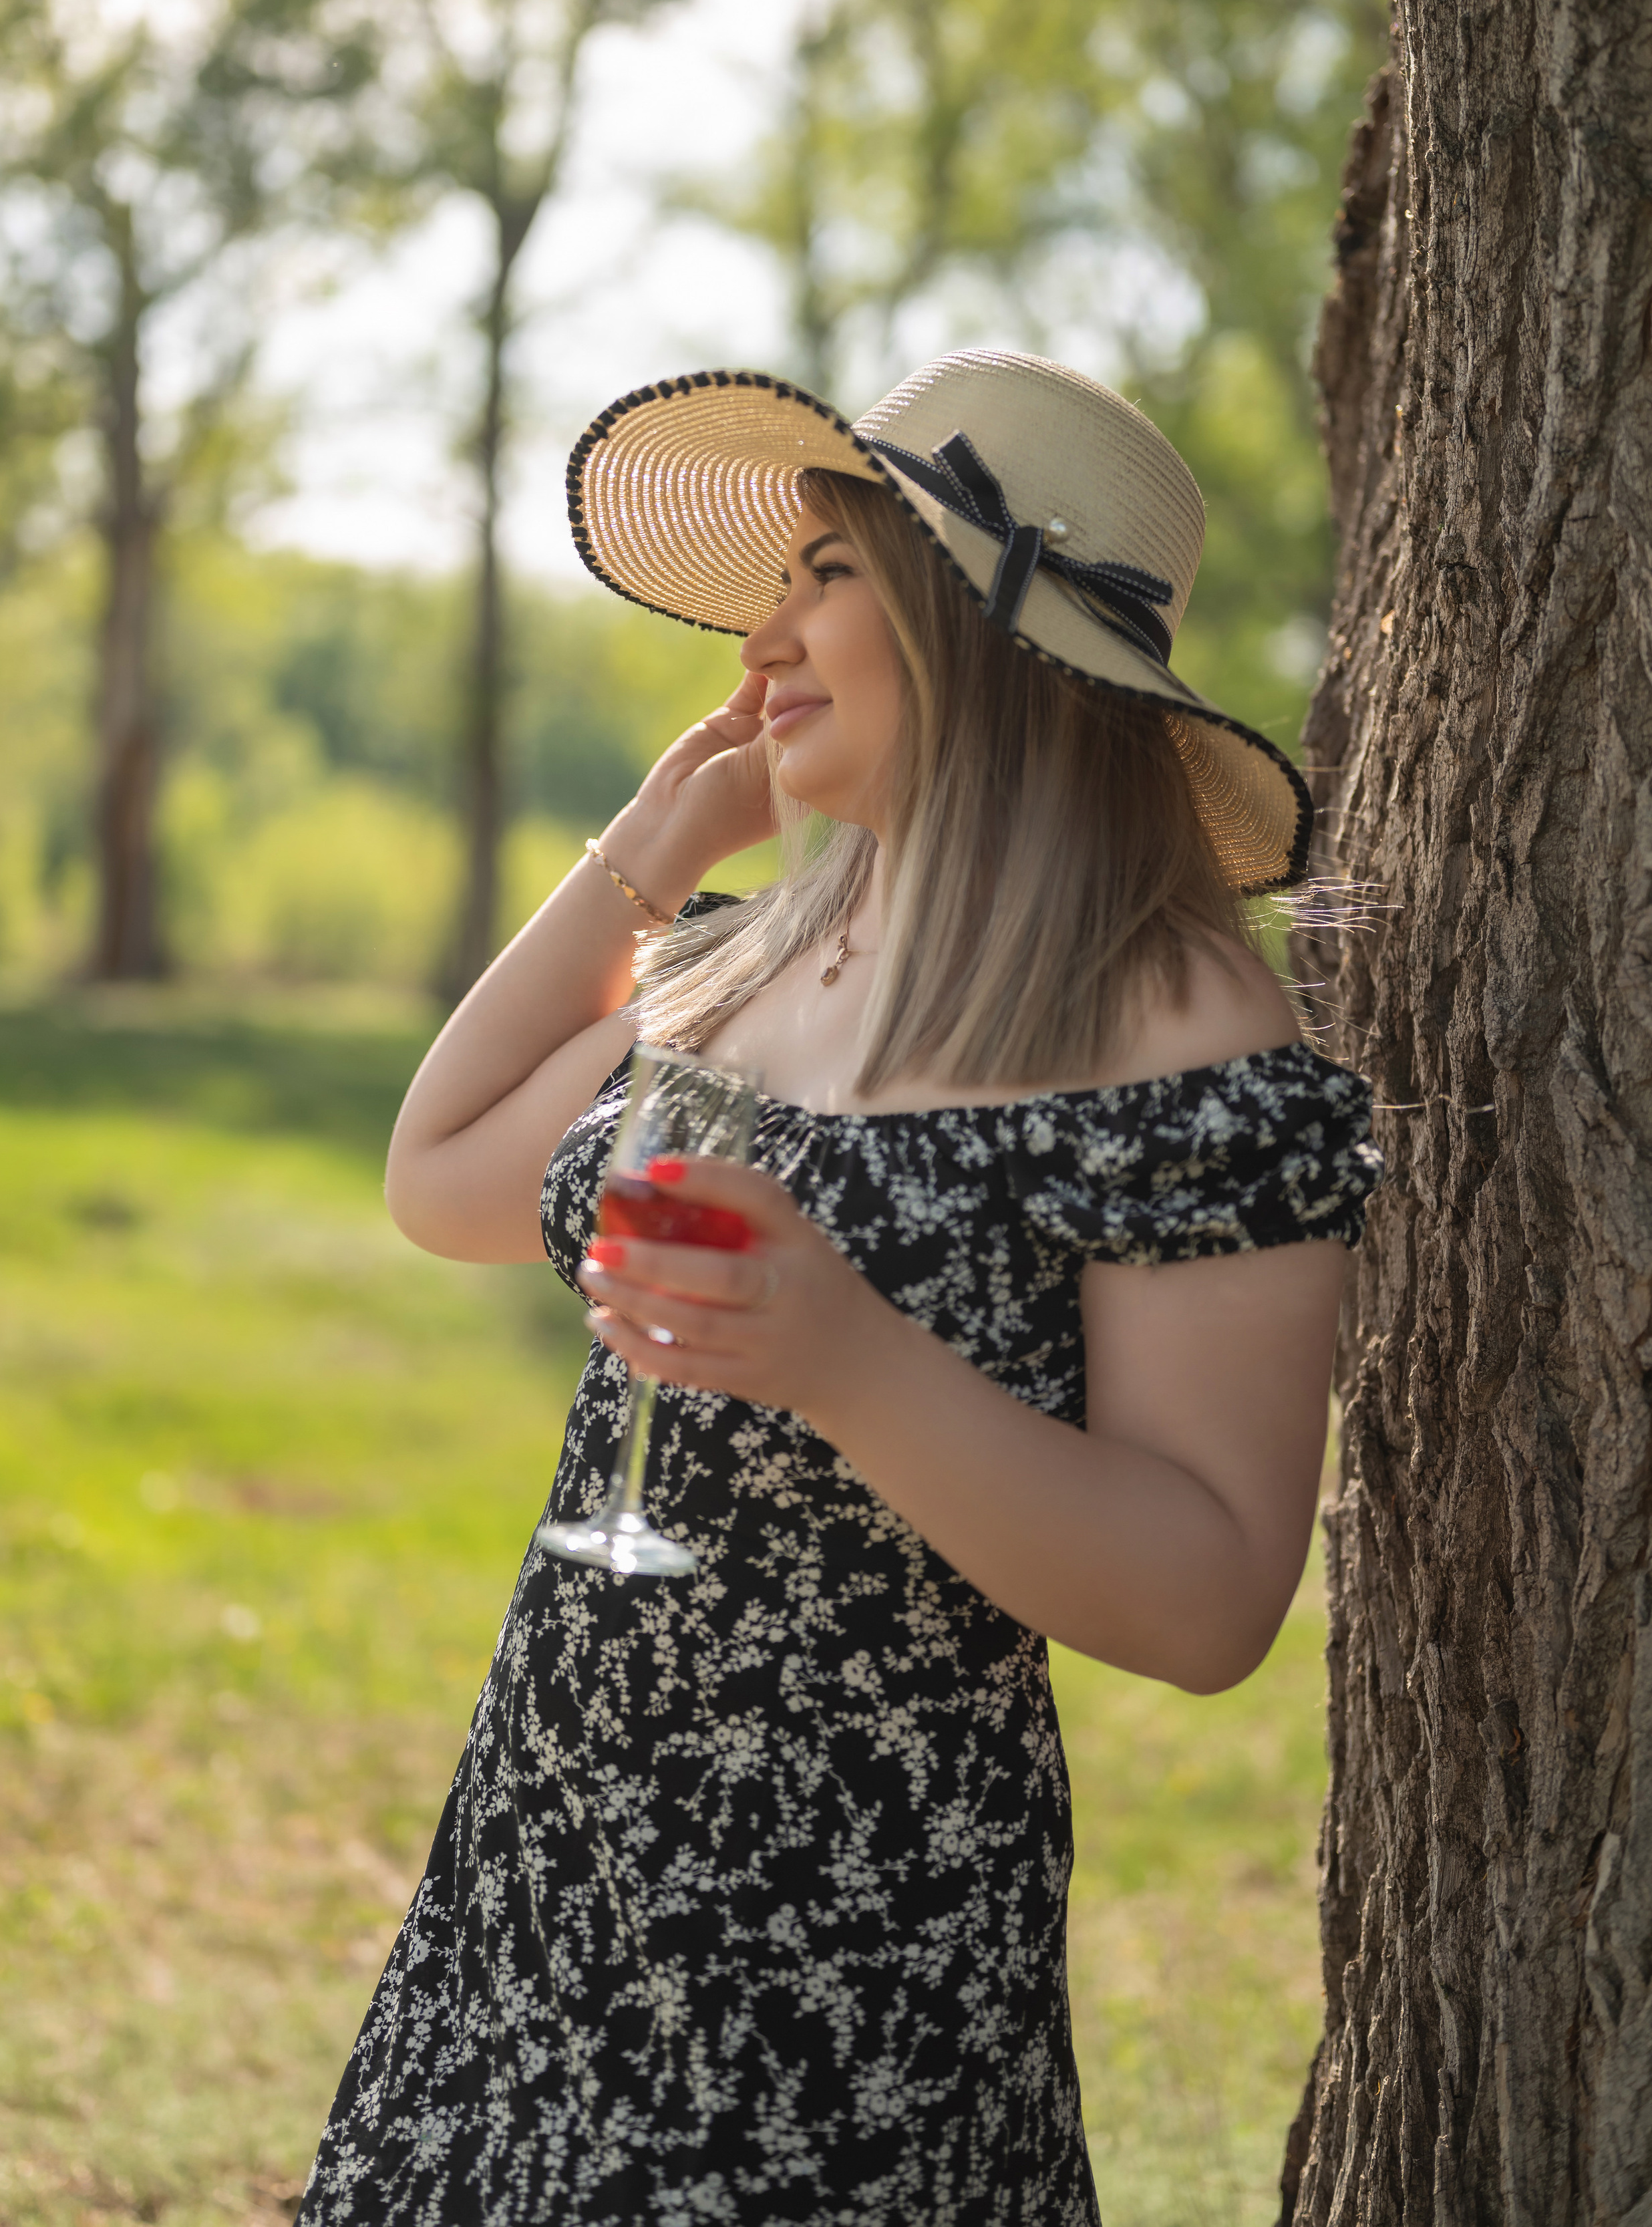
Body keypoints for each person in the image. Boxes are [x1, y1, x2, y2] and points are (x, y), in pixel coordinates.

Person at [297, 347, 1382, 2226]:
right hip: (552, 1864)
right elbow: (444, 1171)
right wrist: (652, 844)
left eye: (828, 573)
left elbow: (1213, 1594)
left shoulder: (1180, 1022)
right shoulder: (754, 958)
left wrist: (853, 1362)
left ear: (986, 629)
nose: (764, 631)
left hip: (848, 1944)